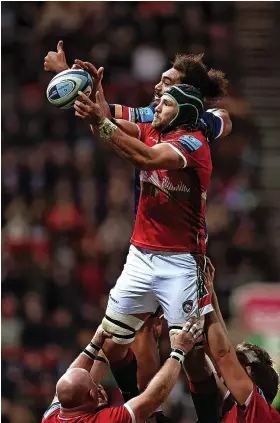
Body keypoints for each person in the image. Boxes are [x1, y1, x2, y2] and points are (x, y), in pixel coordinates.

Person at [42, 323, 200, 423]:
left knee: (107, 349)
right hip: (142, 408)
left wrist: (94, 343)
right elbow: (153, 397)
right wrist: (179, 351)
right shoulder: (105, 420)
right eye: (95, 384)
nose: (99, 384)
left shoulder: (52, 416)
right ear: (91, 394)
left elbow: (69, 381)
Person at [184, 260, 280, 423]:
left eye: (238, 364)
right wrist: (210, 292)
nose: (230, 368)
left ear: (248, 373)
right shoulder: (242, 410)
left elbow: (224, 354)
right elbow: (223, 350)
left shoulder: (260, 415)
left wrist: (205, 299)